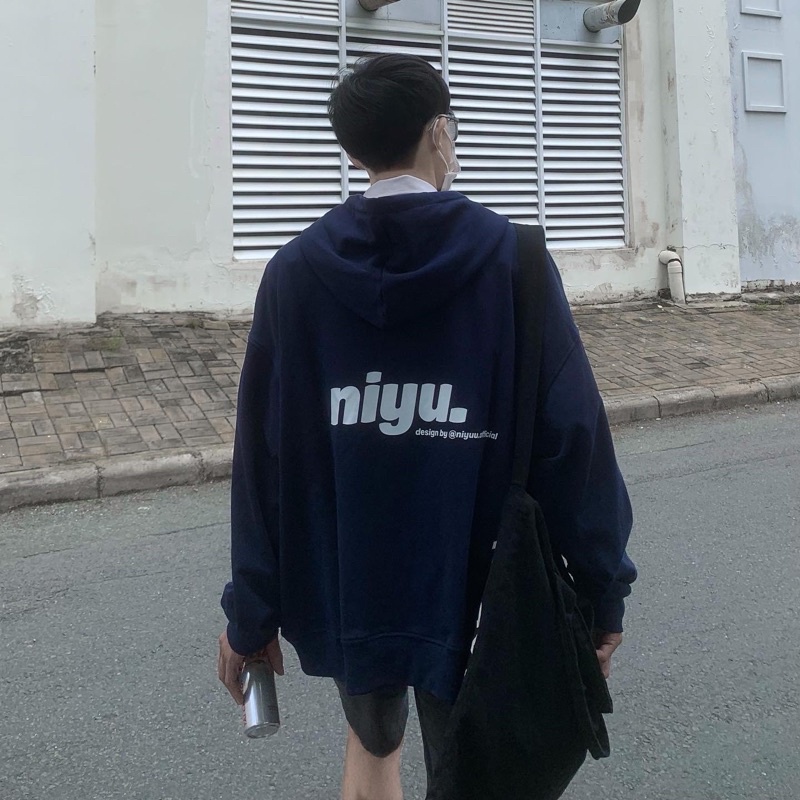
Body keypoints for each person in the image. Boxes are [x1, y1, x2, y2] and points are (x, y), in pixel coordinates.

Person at [217, 53, 636, 800]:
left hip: (351, 586)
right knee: (472, 770)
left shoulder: (294, 273)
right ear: (439, 132)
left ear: (354, 151)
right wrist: (604, 589)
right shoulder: (514, 261)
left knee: (371, 743)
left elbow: (262, 461)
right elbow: (573, 438)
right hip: (477, 591)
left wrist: (250, 615)